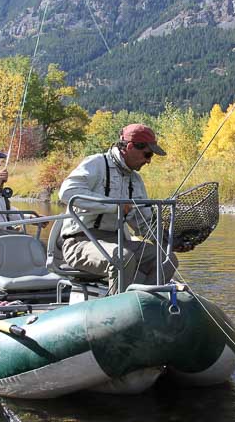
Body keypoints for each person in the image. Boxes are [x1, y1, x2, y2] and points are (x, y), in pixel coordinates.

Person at [57, 124, 184, 294]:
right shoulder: (96, 163)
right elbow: (67, 192)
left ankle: (145, 303)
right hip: (80, 242)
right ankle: (119, 309)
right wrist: (113, 205)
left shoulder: (136, 180)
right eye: (147, 154)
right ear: (130, 147)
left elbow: (144, 224)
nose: (149, 160)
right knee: (122, 258)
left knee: (167, 260)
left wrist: (170, 242)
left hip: (118, 242)